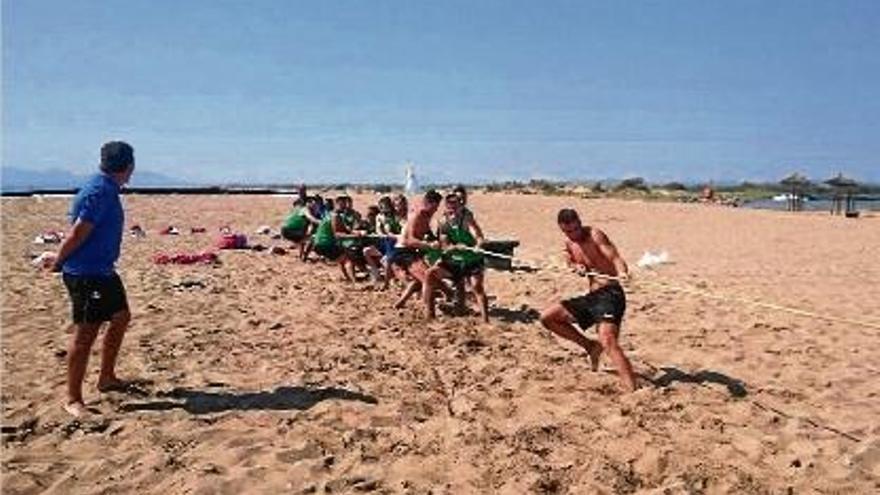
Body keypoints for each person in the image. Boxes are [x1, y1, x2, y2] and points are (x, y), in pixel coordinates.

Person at [47, 141, 137, 417]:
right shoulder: (99, 191)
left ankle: (106, 377)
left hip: (103, 271)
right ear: (129, 166)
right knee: (85, 333)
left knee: (121, 317)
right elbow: (78, 233)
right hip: (86, 273)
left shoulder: (107, 188)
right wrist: (59, 261)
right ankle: (73, 399)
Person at [538, 208, 637, 392]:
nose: (573, 234)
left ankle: (633, 389)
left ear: (580, 223)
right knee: (548, 317)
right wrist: (576, 266)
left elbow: (615, 258)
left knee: (607, 340)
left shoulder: (595, 235)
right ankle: (590, 346)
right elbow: (568, 259)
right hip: (592, 297)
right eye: (568, 231)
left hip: (611, 294)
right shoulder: (569, 243)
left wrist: (623, 272)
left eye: (575, 229)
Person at [423, 193, 489, 322]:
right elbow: (444, 243)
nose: (453, 207)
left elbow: (478, 235)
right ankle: (429, 313)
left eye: (456, 204)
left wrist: (478, 245)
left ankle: (486, 320)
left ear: (460, 205)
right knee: (430, 274)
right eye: (449, 204)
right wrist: (453, 247)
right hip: (454, 261)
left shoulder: (467, 217)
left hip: (472, 259)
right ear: (446, 206)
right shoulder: (443, 222)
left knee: (477, 287)